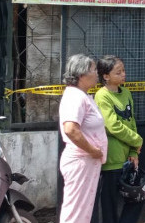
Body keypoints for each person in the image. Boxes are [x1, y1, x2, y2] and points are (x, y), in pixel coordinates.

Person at [94, 56, 145, 223]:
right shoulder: (102, 96)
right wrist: (137, 140)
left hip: (128, 159)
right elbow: (112, 126)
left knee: (138, 196)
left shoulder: (127, 93)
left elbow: (131, 123)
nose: (123, 74)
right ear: (106, 76)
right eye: (118, 72)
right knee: (109, 206)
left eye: (123, 70)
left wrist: (133, 151)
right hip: (111, 159)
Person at [59, 54, 108, 223]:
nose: (97, 74)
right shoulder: (75, 97)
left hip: (87, 162)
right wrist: (92, 150)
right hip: (81, 161)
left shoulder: (82, 95)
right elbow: (71, 129)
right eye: (94, 70)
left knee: (82, 211)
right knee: (76, 212)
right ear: (81, 75)